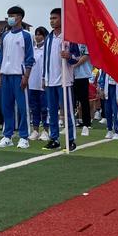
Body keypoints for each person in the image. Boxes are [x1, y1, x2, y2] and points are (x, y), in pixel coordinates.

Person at [0, 6, 35, 149]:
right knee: (6, 107)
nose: (10, 18)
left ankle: (24, 137)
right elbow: (1, 56)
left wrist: (26, 76)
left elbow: (30, 57)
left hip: (19, 76)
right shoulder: (5, 36)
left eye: (12, 15)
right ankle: (8, 136)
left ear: (20, 17)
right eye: (8, 15)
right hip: (5, 75)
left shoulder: (26, 35)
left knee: (23, 108)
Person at [42, 8, 80, 151]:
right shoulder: (49, 38)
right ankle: (54, 139)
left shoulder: (68, 37)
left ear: (62, 19)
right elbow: (46, 60)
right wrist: (44, 77)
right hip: (50, 81)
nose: (52, 21)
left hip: (65, 81)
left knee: (68, 112)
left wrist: (69, 56)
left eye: (55, 18)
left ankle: (70, 140)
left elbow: (76, 57)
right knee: (52, 112)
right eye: (51, 18)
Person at [28, 26, 50, 141]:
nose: (37, 37)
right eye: (36, 34)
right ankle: (35, 130)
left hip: (43, 84)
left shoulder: (47, 49)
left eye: (40, 34)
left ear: (45, 36)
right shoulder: (32, 49)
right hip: (32, 83)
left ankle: (46, 131)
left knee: (44, 108)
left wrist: (45, 79)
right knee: (34, 108)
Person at [73, 44, 93, 136]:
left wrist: (74, 65)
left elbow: (86, 56)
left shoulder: (85, 42)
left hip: (83, 75)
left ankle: (86, 125)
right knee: (71, 102)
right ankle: (70, 124)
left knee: (84, 101)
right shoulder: (71, 41)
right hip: (71, 76)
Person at [98, 70, 118, 140]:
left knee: (115, 111)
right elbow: (103, 76)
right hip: (107, 88)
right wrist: (101, 89)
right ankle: (109, 130)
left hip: (116, 89)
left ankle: (117, 131)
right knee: (107, 111)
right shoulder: (107, 64)